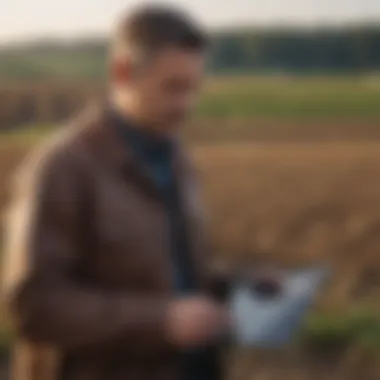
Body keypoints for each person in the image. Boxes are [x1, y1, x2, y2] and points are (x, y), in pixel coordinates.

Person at [3, 5, 234, 380]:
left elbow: (174, 271)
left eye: (193, 89)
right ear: (122, 73)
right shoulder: (63, 169)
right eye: (172, 88)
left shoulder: (177, 160)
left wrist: (237, 288)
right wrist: (160, 322)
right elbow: (35, 307)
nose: (185, 106)